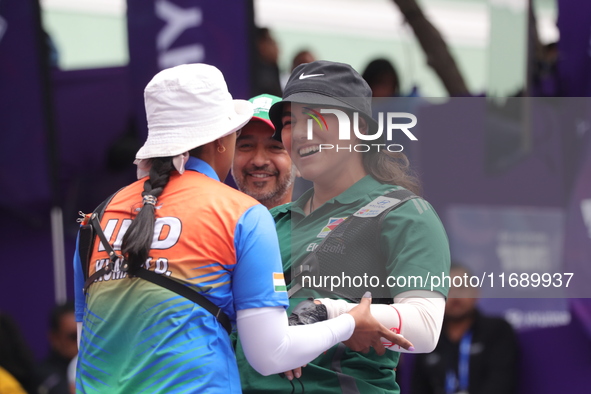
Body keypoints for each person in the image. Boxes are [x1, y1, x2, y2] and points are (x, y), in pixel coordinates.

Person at [73, 63, 410, 394]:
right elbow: (271, 353)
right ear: (223, 141)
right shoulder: (239, 215)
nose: (258, 158)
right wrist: (349, 322)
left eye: (274, 146)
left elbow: (90, 346)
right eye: (243, 141)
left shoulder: (98, 218)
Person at [236, 60, 450, 393]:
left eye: (318, 116)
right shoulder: (267, 222)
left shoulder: (403, 213)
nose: (302, 132)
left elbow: (424, 326)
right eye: (292, 121)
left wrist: (327, 313)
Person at [411, 265, 519, 394]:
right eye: (447, 289)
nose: (455, 295)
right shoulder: (428, 336)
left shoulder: (497, 330)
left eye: (461, 287)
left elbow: (501, 383)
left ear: (476, 293)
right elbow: (418, 387)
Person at [232, 93, 296, 209]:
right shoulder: (211, 224)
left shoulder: (326, 225)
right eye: (246, 146)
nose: (259, 161)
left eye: (275, 147)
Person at [36, 302, 77, 394]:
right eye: (74, 337)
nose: (80, 342)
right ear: (55, 338)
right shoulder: (43, 376)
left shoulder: (101, 367)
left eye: (85, 335)